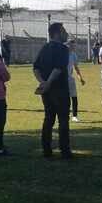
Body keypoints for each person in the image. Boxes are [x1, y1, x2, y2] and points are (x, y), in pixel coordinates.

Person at [33, 23, 72, 158]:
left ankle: (46, 149)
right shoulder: (63, 49)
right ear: (57, 33)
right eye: (64, 31)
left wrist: (42, 83)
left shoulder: (44, 48)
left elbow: (35, 68)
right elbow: (58, 68)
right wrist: (48, 82)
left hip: (46, 91)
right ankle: (65, 150)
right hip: (59, 89)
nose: (66, 33)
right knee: (63, 120)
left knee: (48, 119)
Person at [67, 40, 86, 122]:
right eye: (71, 45)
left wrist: (80, 78)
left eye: (74, 46)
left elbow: (76, 67)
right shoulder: (61, 53)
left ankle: (74, 116)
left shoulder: (73, 55)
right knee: (64, 98)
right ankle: (64, 115)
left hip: (70, 78)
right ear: (68, 45)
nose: (73, 47)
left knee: (74, 97)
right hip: (60, 79)